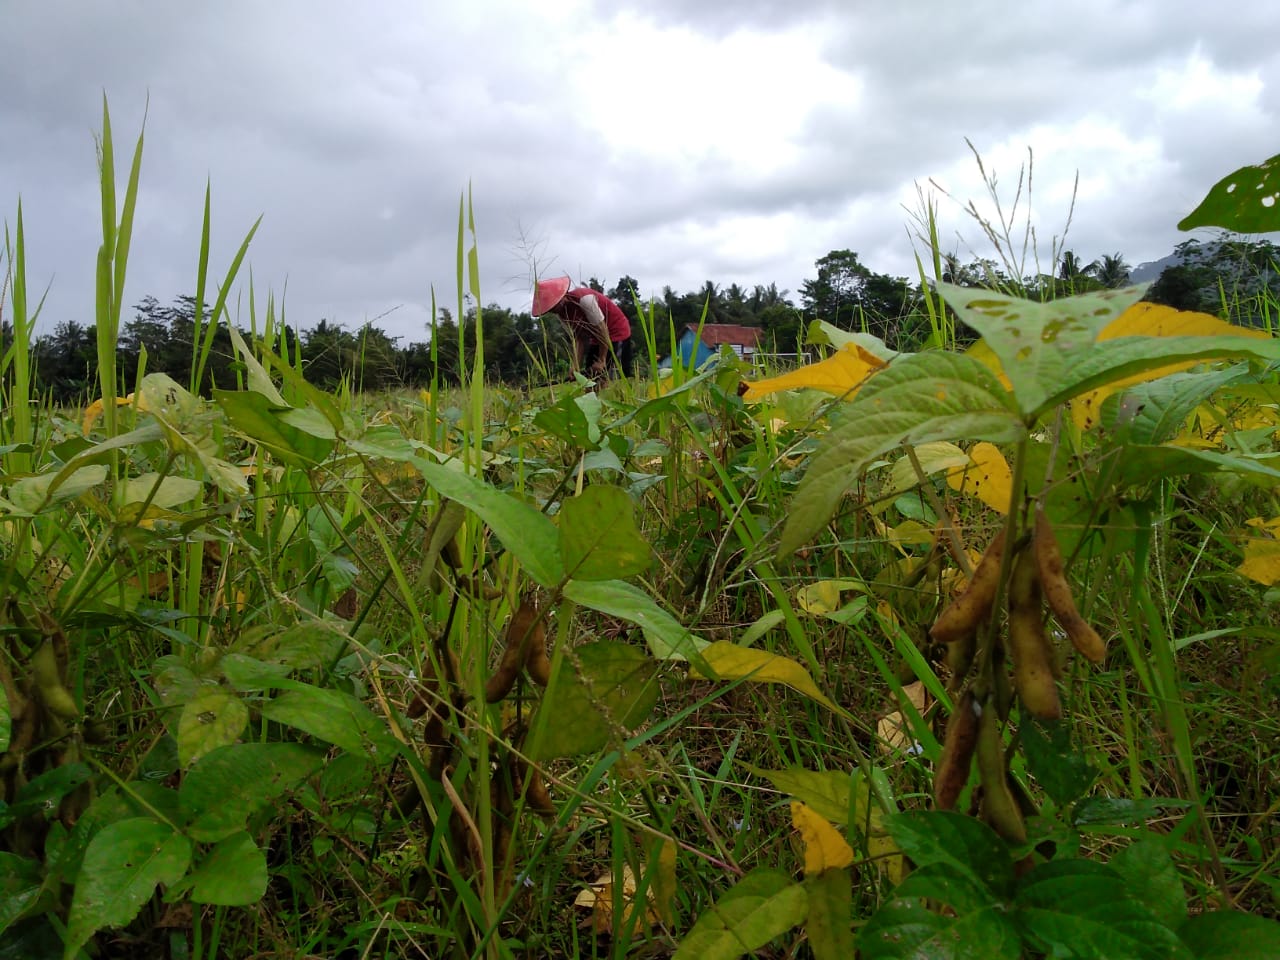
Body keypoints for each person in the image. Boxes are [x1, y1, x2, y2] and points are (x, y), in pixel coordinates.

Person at [532, 277, 633, 378]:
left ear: (560, 298)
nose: (552, 311)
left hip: (616, 332)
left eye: (553, 307)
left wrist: (602, 360)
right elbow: (579, 338)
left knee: (614, 376)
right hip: (596, 338)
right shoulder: (562, 314)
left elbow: (602, 330)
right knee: (591, 378)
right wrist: (575, 366)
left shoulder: (584, 300)